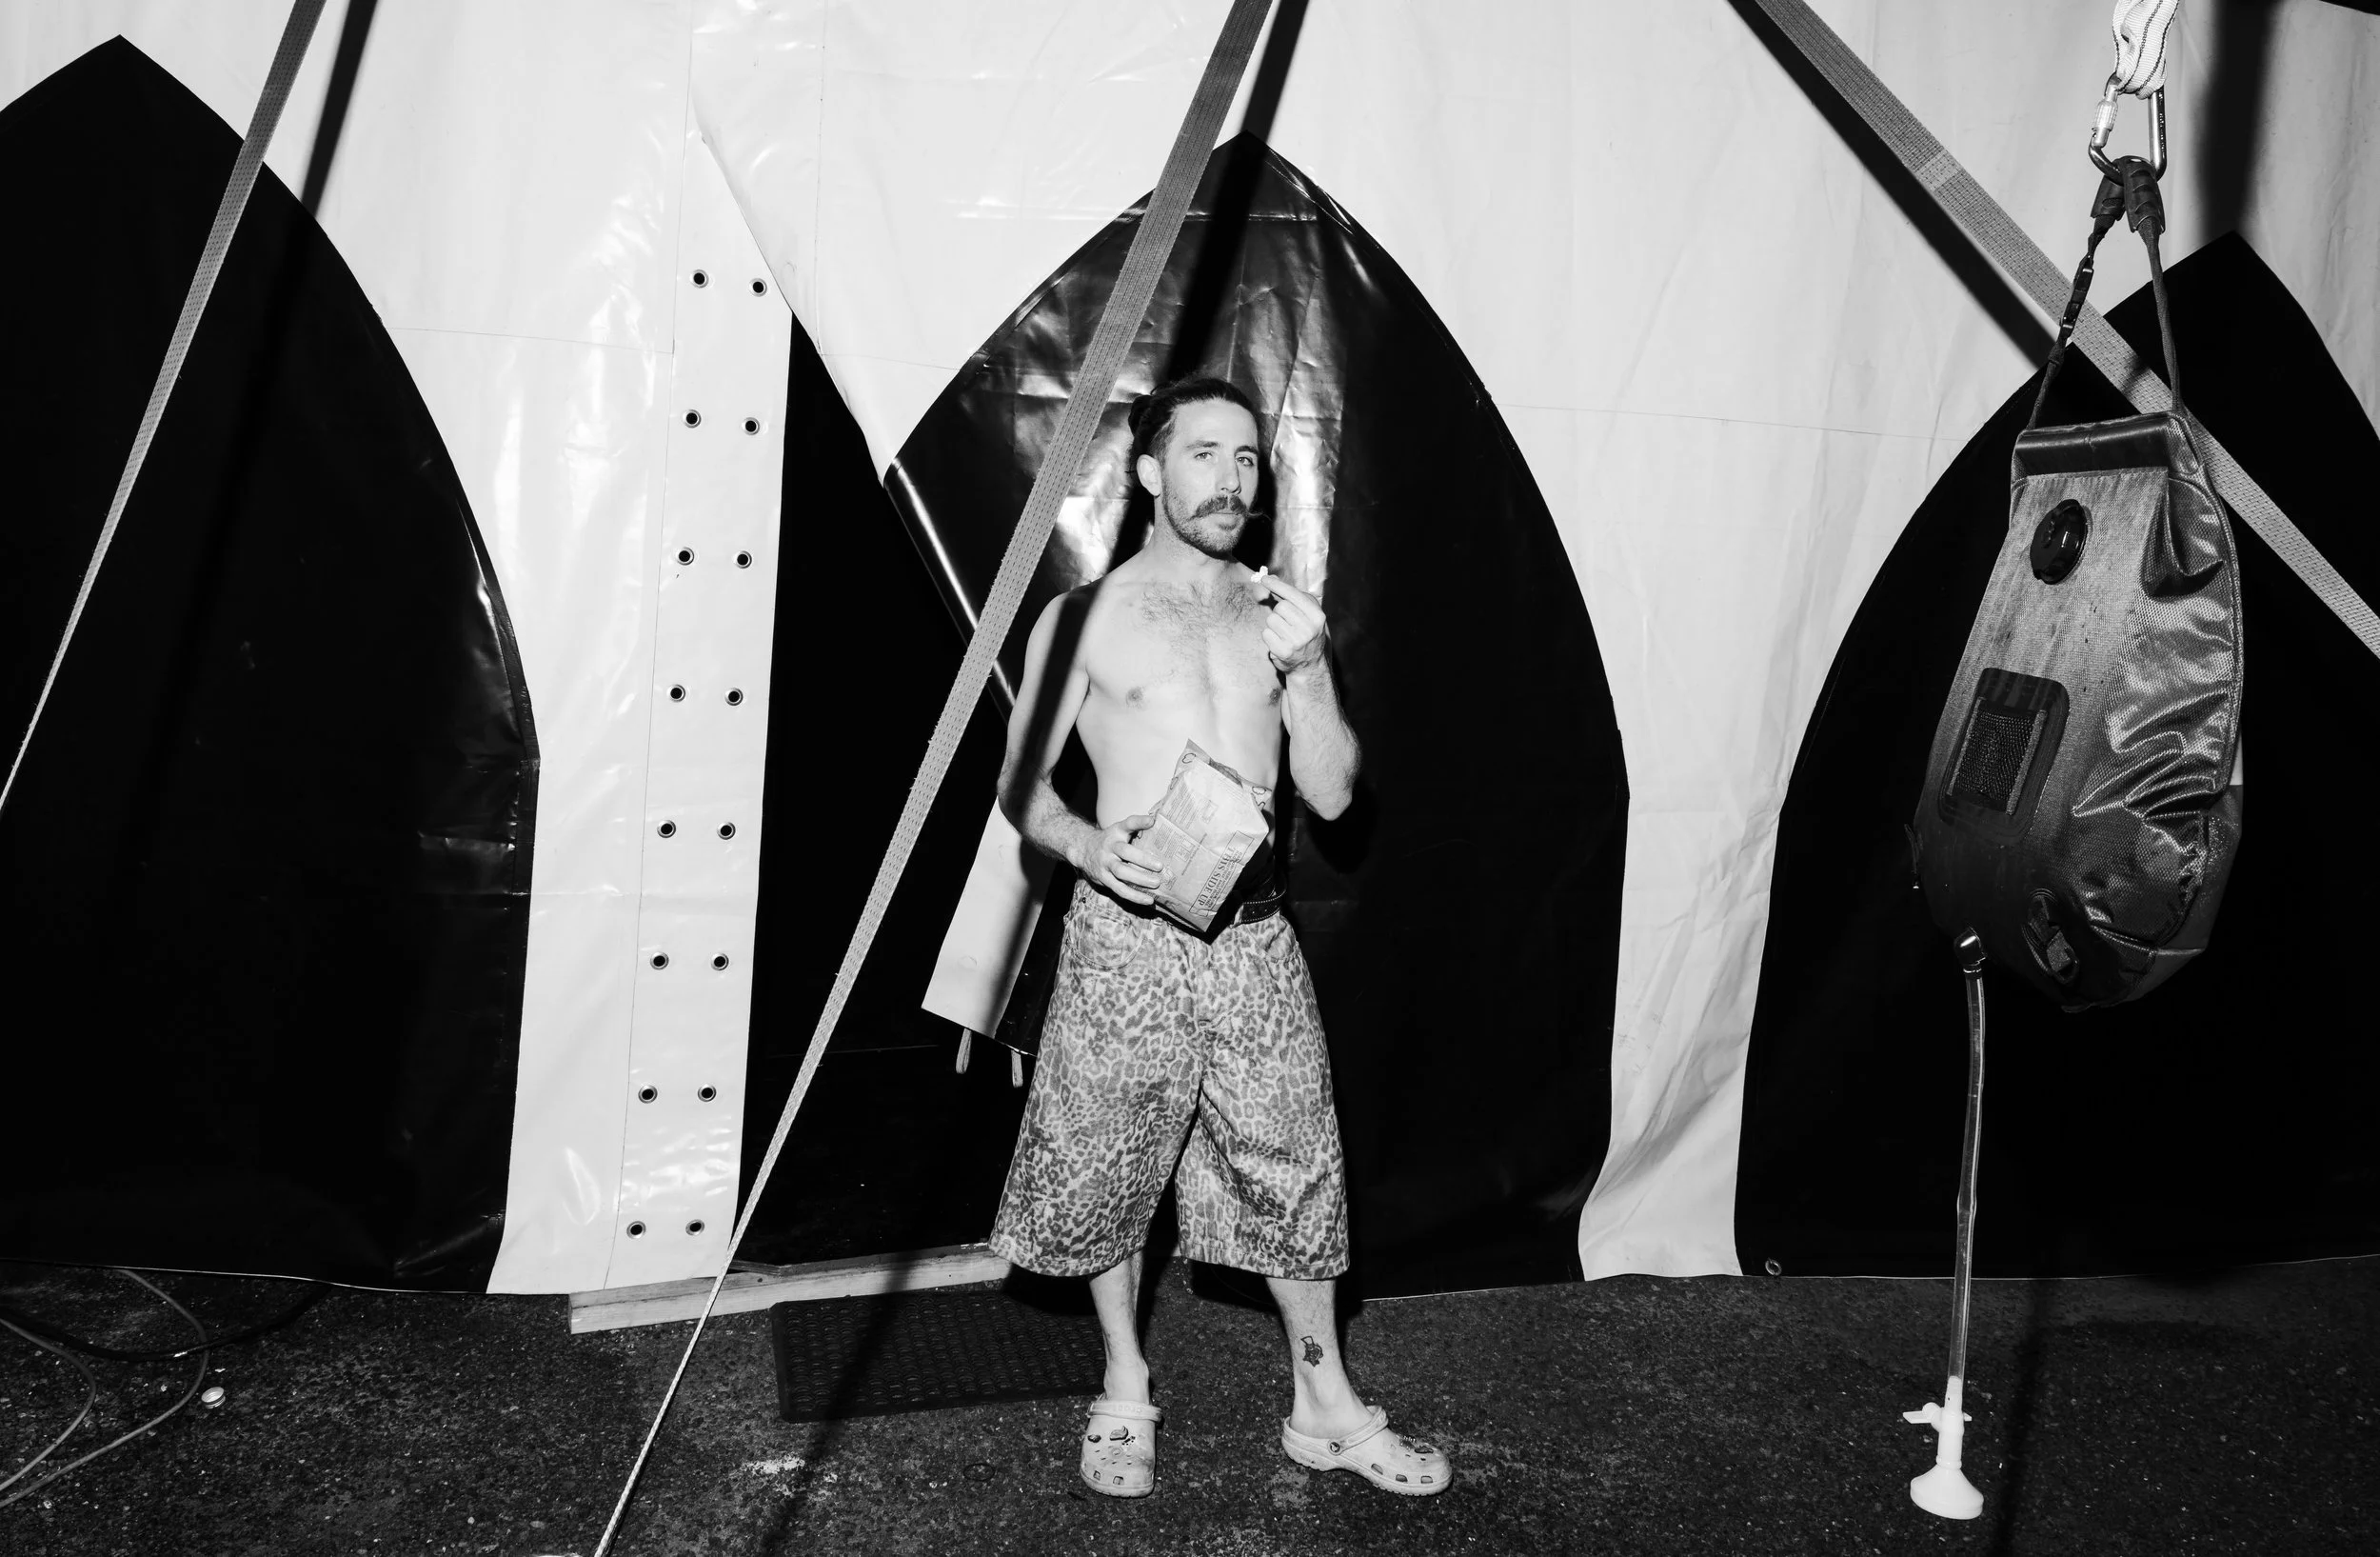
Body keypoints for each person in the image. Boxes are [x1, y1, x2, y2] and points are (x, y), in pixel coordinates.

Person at [987, 375, 1451, 1500]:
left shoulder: (1277, 617)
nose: (1230, 480)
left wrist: (1311, 667)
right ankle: (1124, 1386)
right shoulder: (1082, 618)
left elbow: (1332, 796)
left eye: (1246, 459)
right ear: (1151, 471)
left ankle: (1323, 1409)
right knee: (1106, 1160)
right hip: (1125, 935)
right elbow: (1021, 786)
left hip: (1251, 940)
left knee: (1295, 1167)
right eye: (1204, 454)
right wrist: (1089, 847)